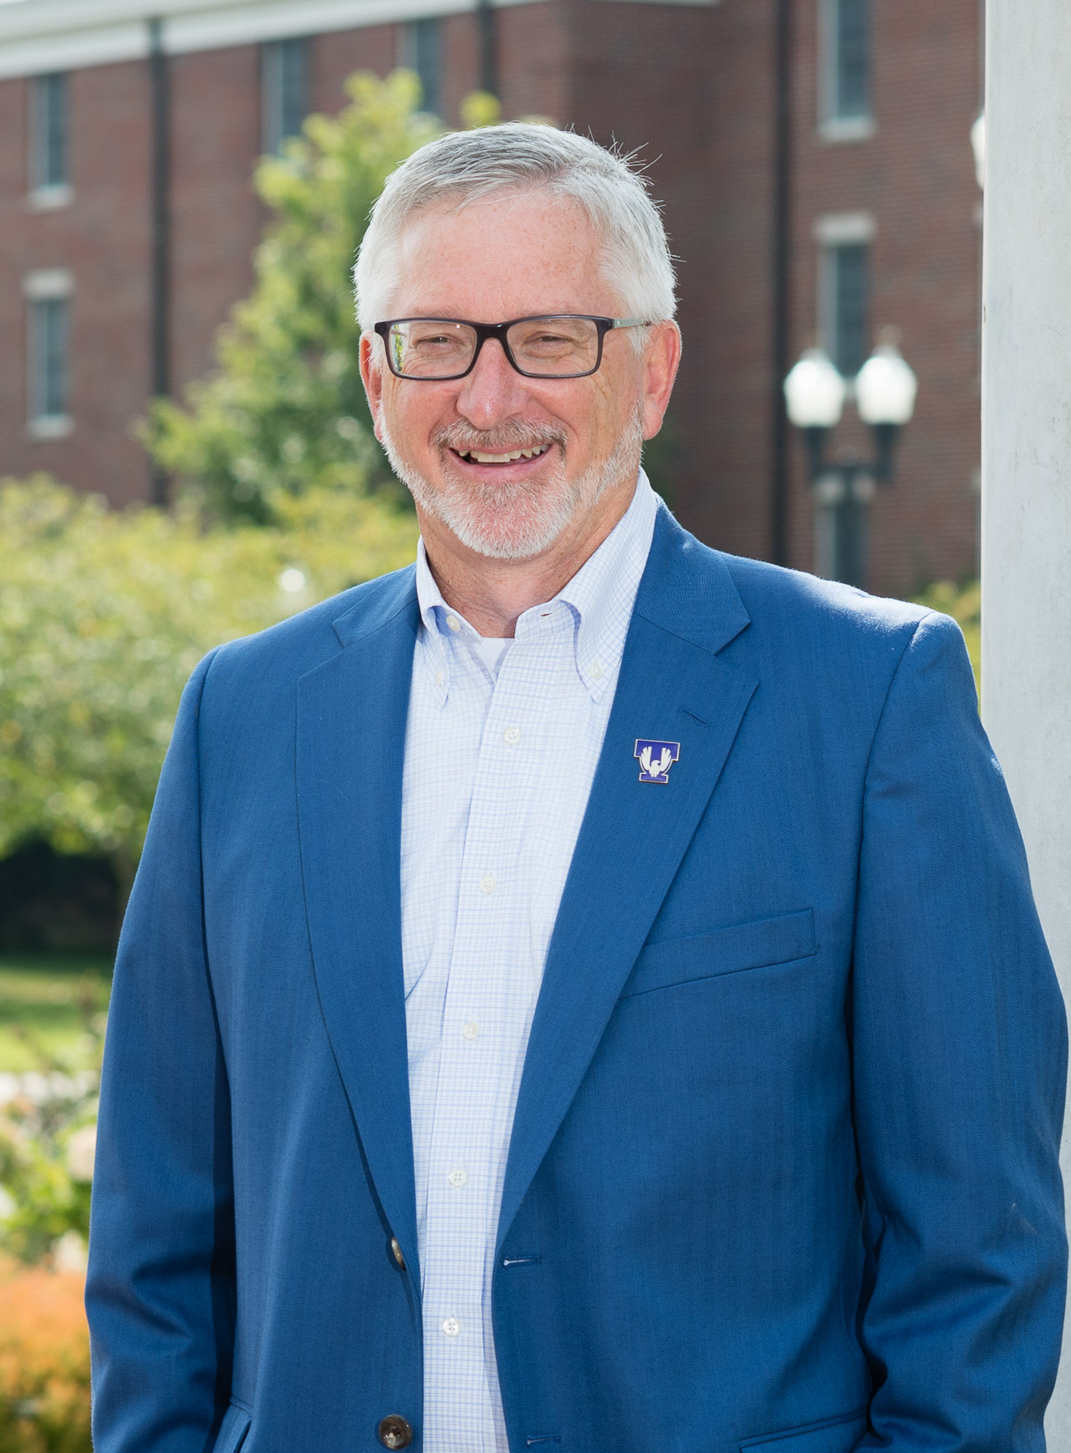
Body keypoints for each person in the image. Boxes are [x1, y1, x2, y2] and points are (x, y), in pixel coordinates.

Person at [87, 124, 1067, 1453]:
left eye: (551, 337)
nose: (491, 398)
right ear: (378, 377)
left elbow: (979, 1250)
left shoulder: (868, 701)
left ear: (654, 370)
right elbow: (158, 1231)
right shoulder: (246, 719)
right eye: (438, 340)